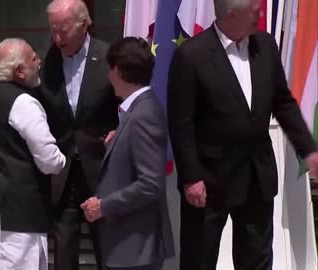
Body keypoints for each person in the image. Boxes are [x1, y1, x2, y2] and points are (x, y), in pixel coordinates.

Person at [167, 0, 318, 269]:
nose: (260, 14)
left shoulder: (266, 46)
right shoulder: (192, 55)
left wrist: (308, 148)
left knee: (257, 261)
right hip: (209, 179)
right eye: (255, 11)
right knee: (198, 260)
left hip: (256, 176)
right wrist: (191, 177)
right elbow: (181, 123)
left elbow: (282, 102)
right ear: (231, 15)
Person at [0, 38, 66, 270]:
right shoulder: (23, 102)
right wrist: (64, 159)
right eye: (33, 59)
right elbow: (50, 160)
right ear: (19, 71)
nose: (39, 62)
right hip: (18, 218)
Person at [36, 0, 119, 269]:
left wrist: (120, 131)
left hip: (102, 169)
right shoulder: (45, 62)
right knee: (63, 254)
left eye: (63, 30)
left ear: (83, 25)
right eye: (53, 30)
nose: (57, 38)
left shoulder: (109, 58)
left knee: (109, 251)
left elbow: (130, 103)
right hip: (62, 172)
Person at [81, 37, 175, 270]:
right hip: (127, 246)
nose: (108, 75)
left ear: (119, 71)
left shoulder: (143, 114)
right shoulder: (135, 111)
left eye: (109, 68)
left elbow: (151, 183)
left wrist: (104, 206)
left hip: (136, 248)